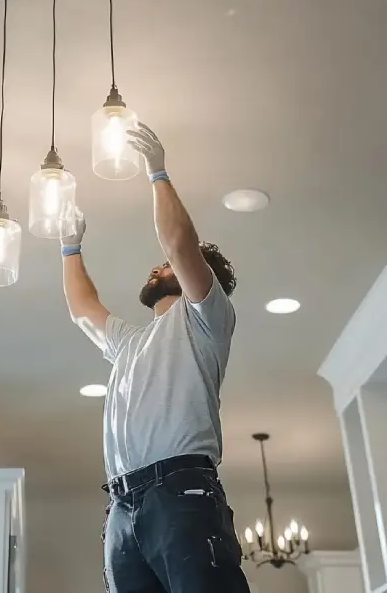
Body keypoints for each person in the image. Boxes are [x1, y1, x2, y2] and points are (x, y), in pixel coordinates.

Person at [60, 123, 250, 593]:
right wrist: (70, 247)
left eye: (165, 267)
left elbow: (179, 244)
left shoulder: (206, 318)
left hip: (180, 488)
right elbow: (83, 310)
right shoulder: (130, 342)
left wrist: (157, 172)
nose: (156, 266)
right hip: (122, 504)